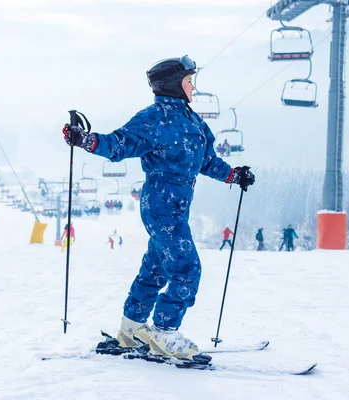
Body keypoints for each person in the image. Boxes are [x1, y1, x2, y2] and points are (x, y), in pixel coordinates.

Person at [62, 55, 255, 361]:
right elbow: (119, 144)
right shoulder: (152, 119)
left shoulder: (194, 122)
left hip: (178, 206)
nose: (194, 87)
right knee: (187, 268)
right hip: (160, 204)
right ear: (173, 85)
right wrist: (87, 141)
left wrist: (234, 175)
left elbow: (207, 161)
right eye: (189, 81)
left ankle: (131, 329)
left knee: (155, 268)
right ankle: (164, 332)